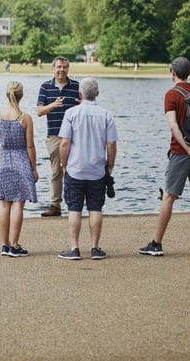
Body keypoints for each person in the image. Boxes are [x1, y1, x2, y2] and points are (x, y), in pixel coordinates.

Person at [140, 57, 190, 259]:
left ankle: (157, 243)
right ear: (189, 73)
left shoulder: (172, 94)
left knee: (169, 196)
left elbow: (173, 126)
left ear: (172, 73)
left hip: (181, 152)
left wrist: (188, 150)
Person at [56, 78, 118, 260]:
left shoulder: (71, 113)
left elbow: (64, 143)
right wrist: (110, 164)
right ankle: (95, 247)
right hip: (97, 169)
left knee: (74, 209)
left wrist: (63, 164)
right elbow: (111, 144)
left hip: (75, 168)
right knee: (95, 208)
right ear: (97, 93)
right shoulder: (106, 115)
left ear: (80, 94)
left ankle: (74, 248)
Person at [0, 81, 39, 257]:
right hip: (20, 161)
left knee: (4, 205)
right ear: (22, 95)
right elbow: (30, 147)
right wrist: (34, 169)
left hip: (2, 161)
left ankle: (4, 245)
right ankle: (14, 245)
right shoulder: (25, 118)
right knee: (18, 204)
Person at [36, 56, 80, 217]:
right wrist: (53, 105)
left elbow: (85, 105)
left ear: (68, 69)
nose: (61, 69)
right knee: (56, 171)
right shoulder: (45, 87)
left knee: (74, 170)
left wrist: (81, 105)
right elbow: (39, 111)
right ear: (53, 69)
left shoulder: (76, 86)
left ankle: (75, 205)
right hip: (54, 135)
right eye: (59, 67)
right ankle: (55, 205)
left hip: (74, 136)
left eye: (64, 67)